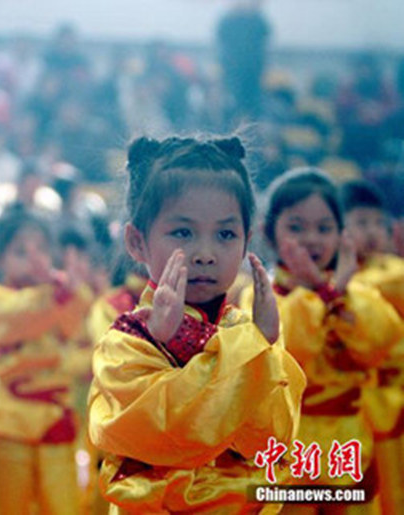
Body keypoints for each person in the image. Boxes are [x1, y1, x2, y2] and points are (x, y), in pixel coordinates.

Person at [88, 136, 306, 513]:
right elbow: (174, 432)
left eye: (225, 234)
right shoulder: (129, 338)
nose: (205, 255)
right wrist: (243, 351)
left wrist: (265, 343)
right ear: (137, 242)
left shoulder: (246, 329)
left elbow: (275, 439)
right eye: (183, 233)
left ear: (246, 242)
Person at [261, 169, 404, 511]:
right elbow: (291, 348)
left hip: (349, 442)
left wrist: (334, 294)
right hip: (289, 447)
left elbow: (380, 343)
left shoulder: (359, 291)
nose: (312, 239)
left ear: (341, 235)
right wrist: (326, 294)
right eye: (296, 228)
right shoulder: (260, 294)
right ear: (270, 234)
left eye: (324, 229)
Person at [0, 210, 93, 515]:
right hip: (9, 427)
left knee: (63, 507)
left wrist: (66, 293)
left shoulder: (61, 294)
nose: (34, 259)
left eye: (41, 250)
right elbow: (25, 318)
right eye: (21, 252)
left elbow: (85, 348)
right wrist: (60, 294)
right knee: (6, 507)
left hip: (56, 423)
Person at [340, 179, 404, 513]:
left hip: (395, 396)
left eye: (379, 223)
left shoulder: (391, 273)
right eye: (362, 222)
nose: (373, 232)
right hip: (359, 406)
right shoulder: (335, 279)